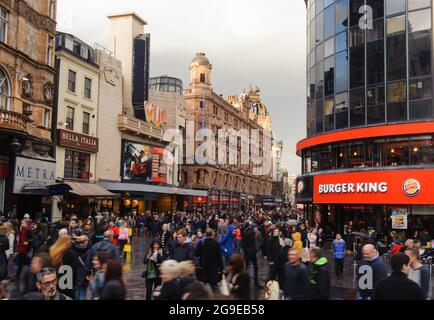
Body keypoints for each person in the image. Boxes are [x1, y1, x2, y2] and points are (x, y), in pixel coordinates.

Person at [49, 234, 78, 299]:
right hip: (68, 283)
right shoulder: (71, 254)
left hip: (55, 281)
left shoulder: (53, 252)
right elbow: (75, 271)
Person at [195, 229, 224, 293]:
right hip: (213, 269)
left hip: (203, 267)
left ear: (205, 234)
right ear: (212, 234)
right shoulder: (216, 244)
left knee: (203, 289)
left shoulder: (201, 243)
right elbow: (219, 257)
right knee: (214, 287)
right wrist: (221, 268)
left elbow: (196, 254)